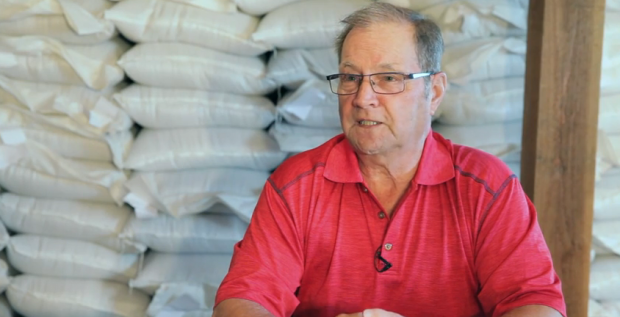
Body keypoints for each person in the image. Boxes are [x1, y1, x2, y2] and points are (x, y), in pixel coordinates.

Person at [213, 3, 566, 317]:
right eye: (351, 78)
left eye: (388, 78)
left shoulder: (485, 187)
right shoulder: (297, 186)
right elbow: (245, 297)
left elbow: (533, 301)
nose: (364, 97)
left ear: (435, 92)